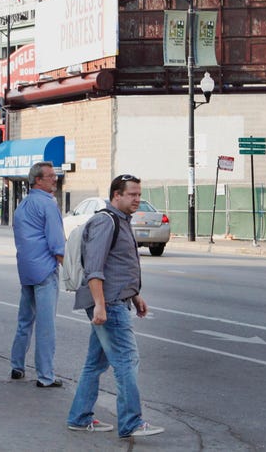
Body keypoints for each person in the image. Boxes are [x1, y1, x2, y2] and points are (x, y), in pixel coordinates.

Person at [66, 174, 164, 438]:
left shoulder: (121, 221)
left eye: (139, 194)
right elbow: (95, 269)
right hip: (108, 304)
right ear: (116, 195)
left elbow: (119, 265)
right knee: (126, 360)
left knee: (95, 363)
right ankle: (132, 422)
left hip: (116, 299)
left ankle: (79, 416)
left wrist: (135, 295)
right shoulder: (106, 222)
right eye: (132, 194)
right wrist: (100, 305)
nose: (137, 199)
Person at [10, 162, 65, 387]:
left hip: (27, 269)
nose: (55, 179)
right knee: (46, 325)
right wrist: (70, 270)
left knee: (25, 321)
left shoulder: (22, 205)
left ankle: (17, 365)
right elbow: (56, 243)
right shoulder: (48, 205)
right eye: (51, 176)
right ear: (38, 180)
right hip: (45, 270)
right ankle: (45, 376)